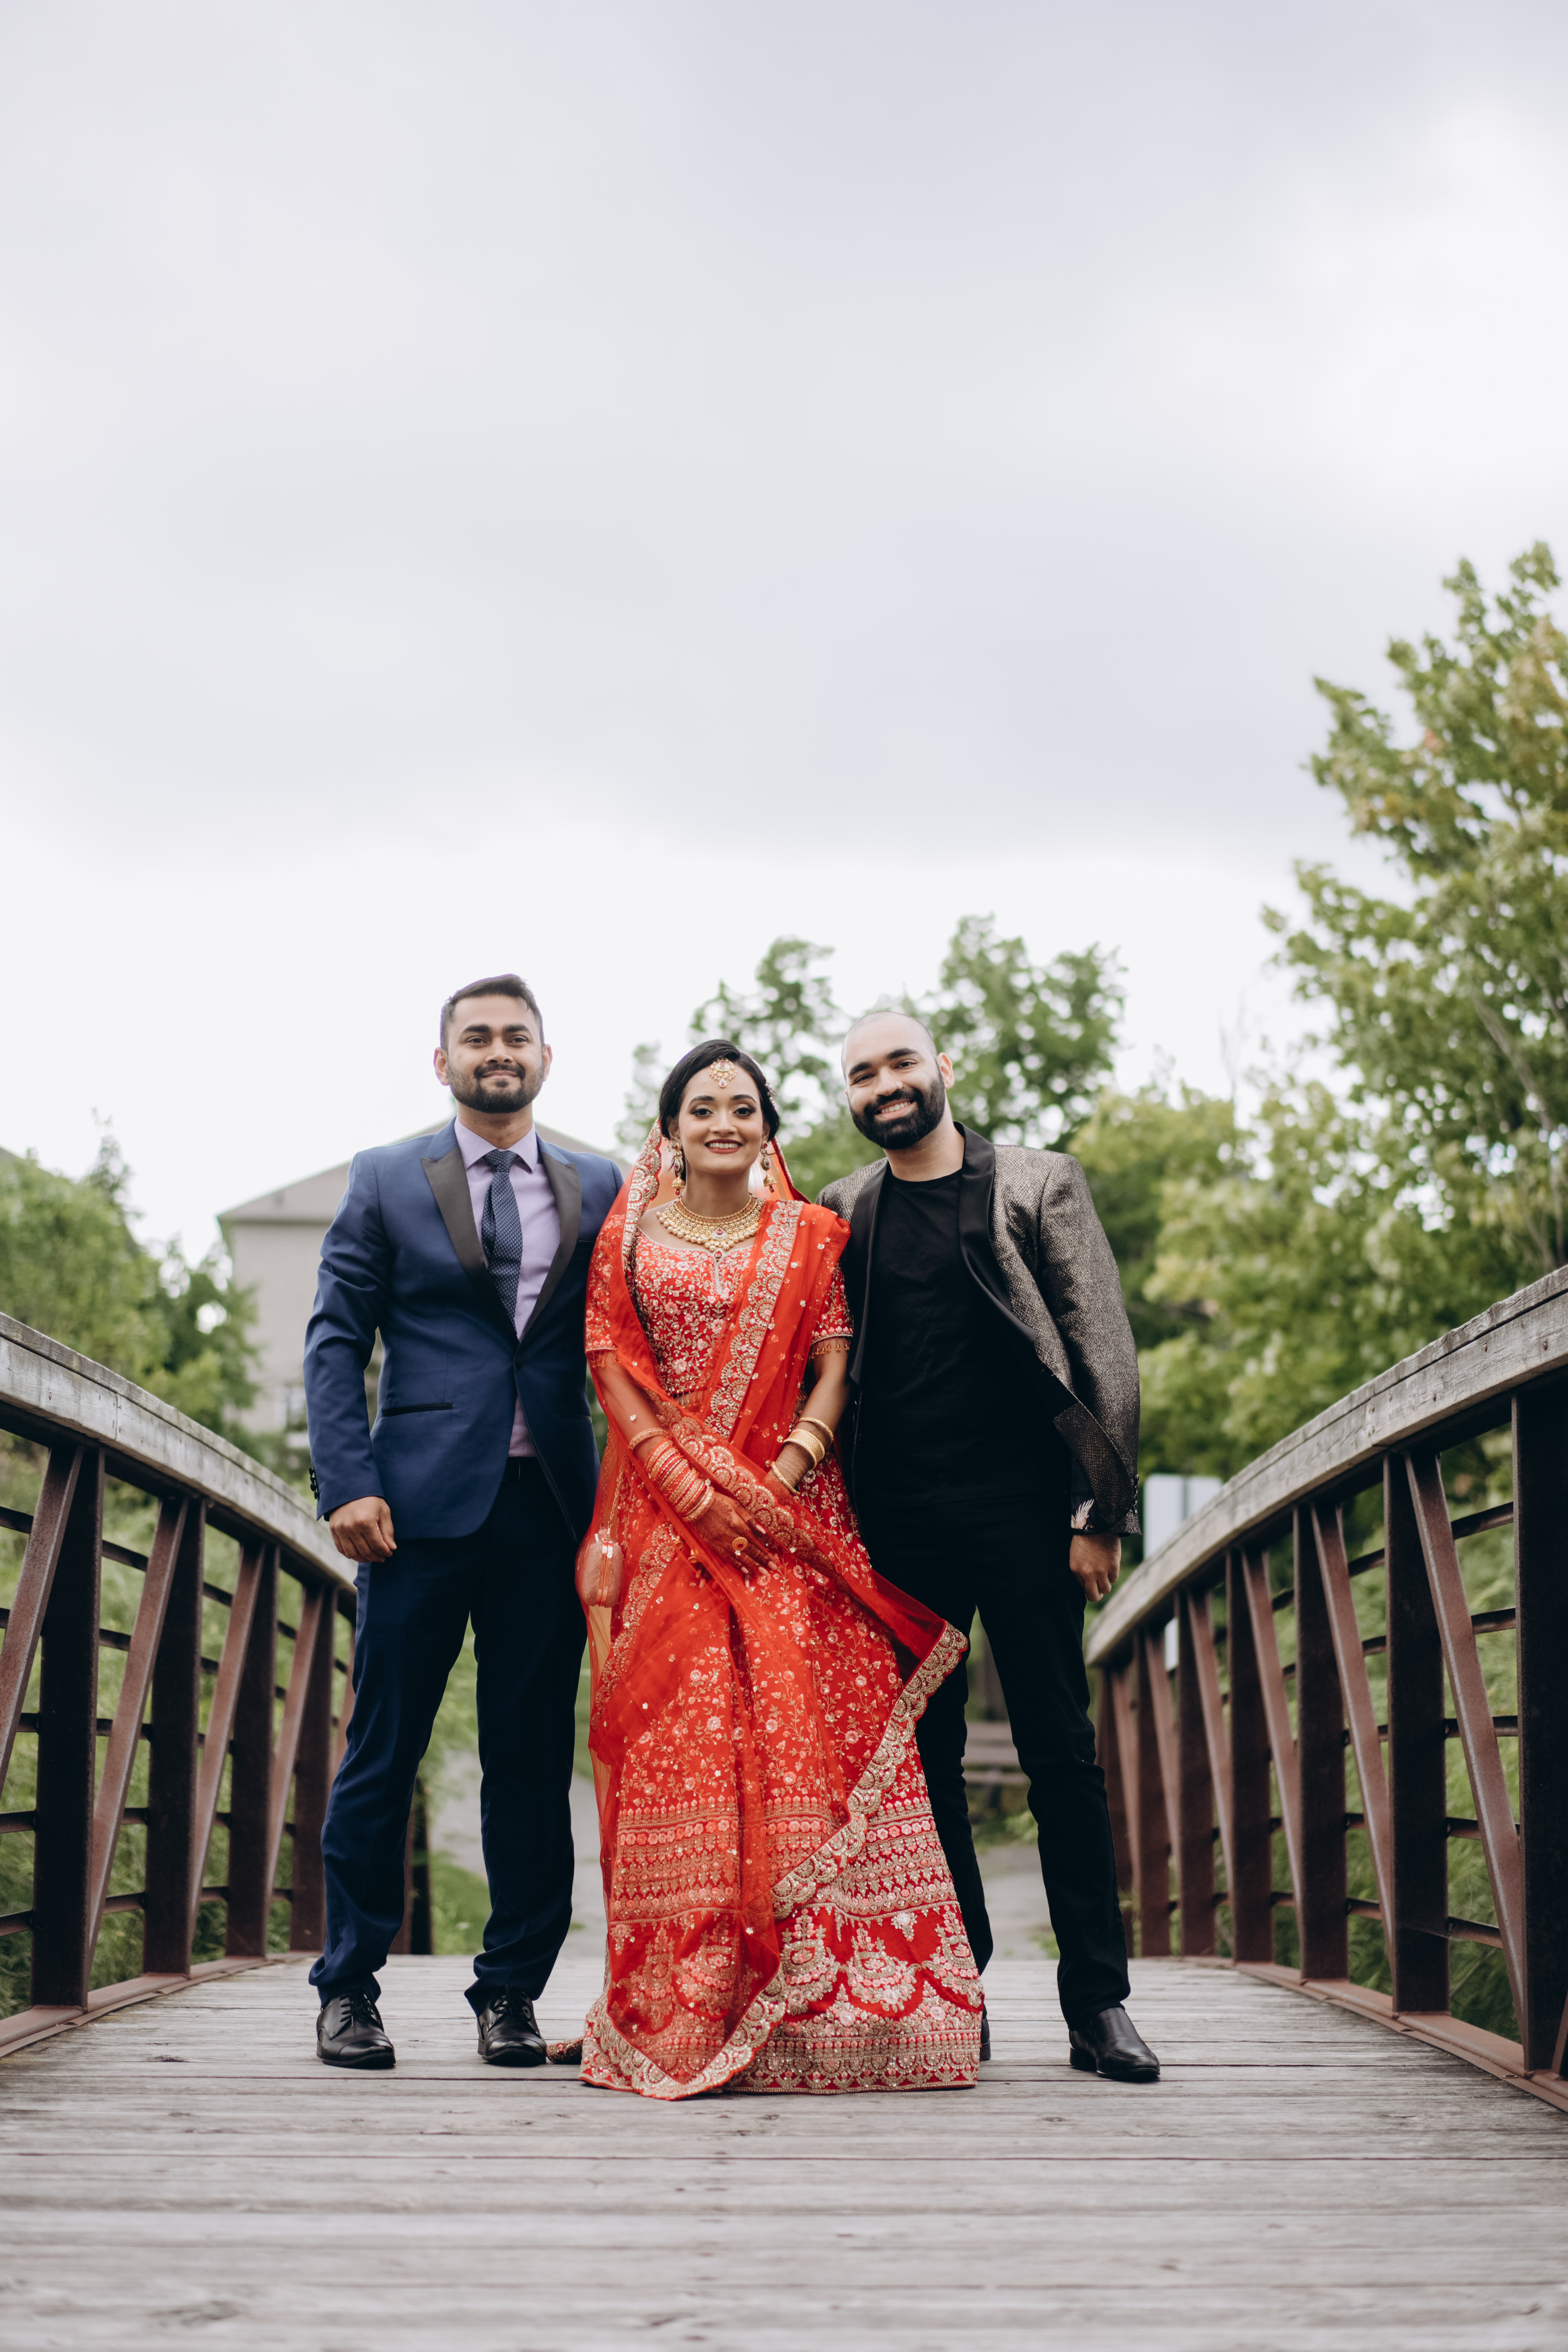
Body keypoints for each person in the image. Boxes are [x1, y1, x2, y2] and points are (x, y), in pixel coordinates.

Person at [559, 1039, 983, 2099]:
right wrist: (683, 1479)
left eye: (742, 1107)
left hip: (785, 1522)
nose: (723, 1123)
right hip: (666, 1527)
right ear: (669, 1129)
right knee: (682, 1746)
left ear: (767, 1128)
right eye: (701, 1107)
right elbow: (608, 1358)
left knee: (808, 1734)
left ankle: (833, 2008)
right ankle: (681, 1995)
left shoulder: (809, 1235)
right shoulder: (630, 1234)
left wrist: (782, 1475)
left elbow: (835, 1363)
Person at [818, 1010, 1160, 2083]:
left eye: (900, 1063)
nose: (885, 1085)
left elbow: (1103, 1348)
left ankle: (1096, 2005)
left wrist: (1097, 1513)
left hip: (1023, 1515)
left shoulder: (1036, 1183)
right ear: (849, 1095)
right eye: (862, 1074)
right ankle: (955, 1995)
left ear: (943, 1069)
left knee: (1061, 1753)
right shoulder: (840, 1208)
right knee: (923, 1768)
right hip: (894, 1525)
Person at [303, 974, 623, 2070]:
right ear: (443, 1063)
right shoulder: (385, 1177)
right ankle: (349, 1987)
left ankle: (511, 1992)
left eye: (515, 1036)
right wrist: (346, 1481)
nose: (498, 1051)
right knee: (382, 1752)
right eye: (476, 1037)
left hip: (552, 1512)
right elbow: (335, 1338)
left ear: (544, 1056)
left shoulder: (600, 1182)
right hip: (412, 1514)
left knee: (530, 1764)